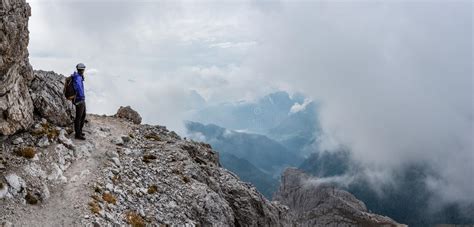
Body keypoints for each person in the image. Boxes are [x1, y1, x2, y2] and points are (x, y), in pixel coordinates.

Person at [72, 63, 87, 140]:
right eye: (83, 69)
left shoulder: (79, 76)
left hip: (80, 99)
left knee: (83, 115)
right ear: (82, 70)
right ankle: (77, 134)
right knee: (79, 117)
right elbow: (79, 88)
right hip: (79, 99)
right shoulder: (78, 78)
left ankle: (79, 131)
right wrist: (82, 97)